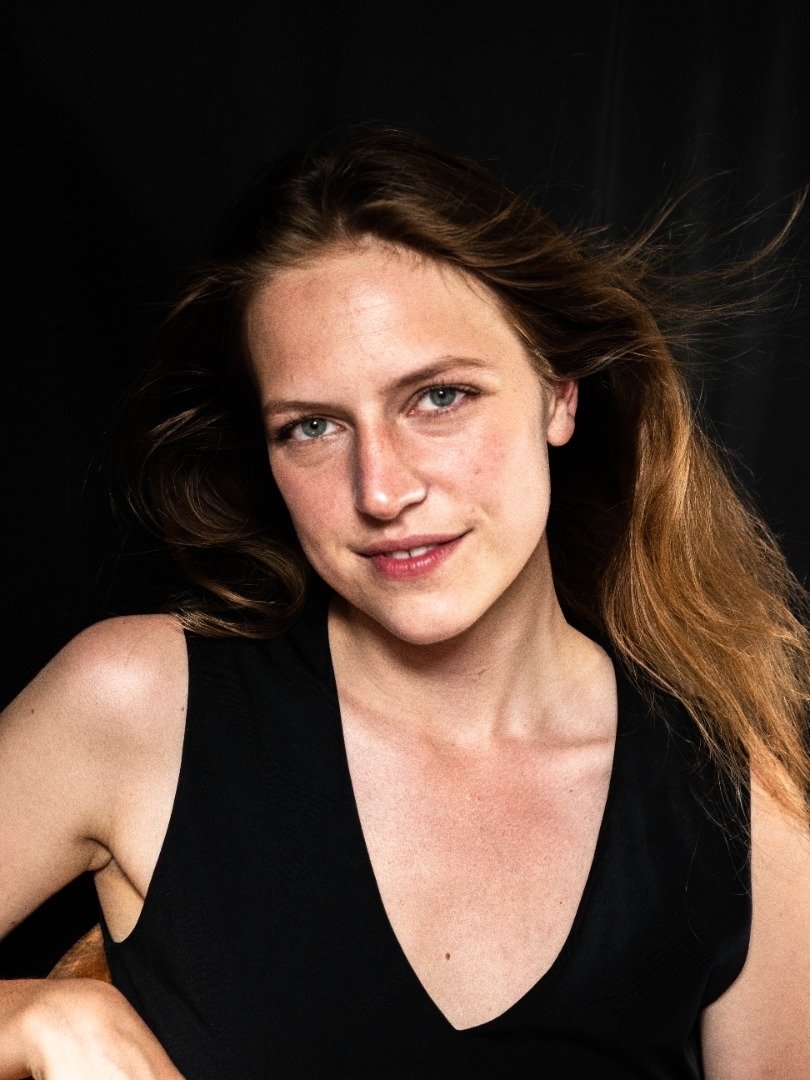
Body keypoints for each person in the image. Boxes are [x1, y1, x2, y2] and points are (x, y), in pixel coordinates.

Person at [1, 125, 809, 1080]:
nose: (381, 490)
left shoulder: (737, 803)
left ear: (559, 394)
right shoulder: (137, 708)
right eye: (312, 426)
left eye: (439, 398)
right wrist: (43, 1016)